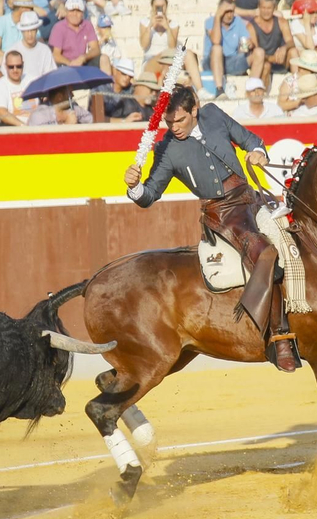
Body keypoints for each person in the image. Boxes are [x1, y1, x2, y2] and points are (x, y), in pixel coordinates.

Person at [122, 85, 296, 371]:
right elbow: (150, 194)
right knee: (264, 252)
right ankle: (279, 337)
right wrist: (135, 187)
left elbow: (250, 139)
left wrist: (256, 152)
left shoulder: (214, 115)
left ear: (195, 109)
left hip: (251, 197)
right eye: (169, 122)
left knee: (296, 230)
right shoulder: (166, 148)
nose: (174, 128)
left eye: (180, 120)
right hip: (223, 215)